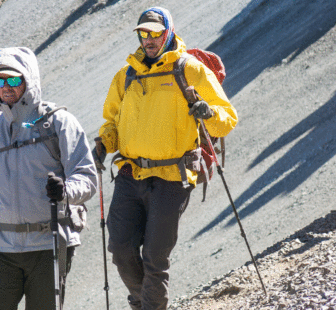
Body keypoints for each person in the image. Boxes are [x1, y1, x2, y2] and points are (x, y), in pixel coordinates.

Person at [92, 7, 238, 310]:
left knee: (155, 258)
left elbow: (227, 118)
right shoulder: (125, 75)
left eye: (155, 33)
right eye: (143, 33)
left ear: (168, 32)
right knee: (120, 249)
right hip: (131, 174)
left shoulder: (190, 69)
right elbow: (112, 123)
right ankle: (144, 302)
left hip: (173, 177)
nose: (149, 39)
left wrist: (208, 113)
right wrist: (103, 144)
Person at [0, 47, 97, 310]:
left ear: (29, 80)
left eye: (13, 79)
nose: (6, 87)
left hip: (48, 245)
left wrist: (65, 191)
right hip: (2, 251)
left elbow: (87, 177)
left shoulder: (58, 123)